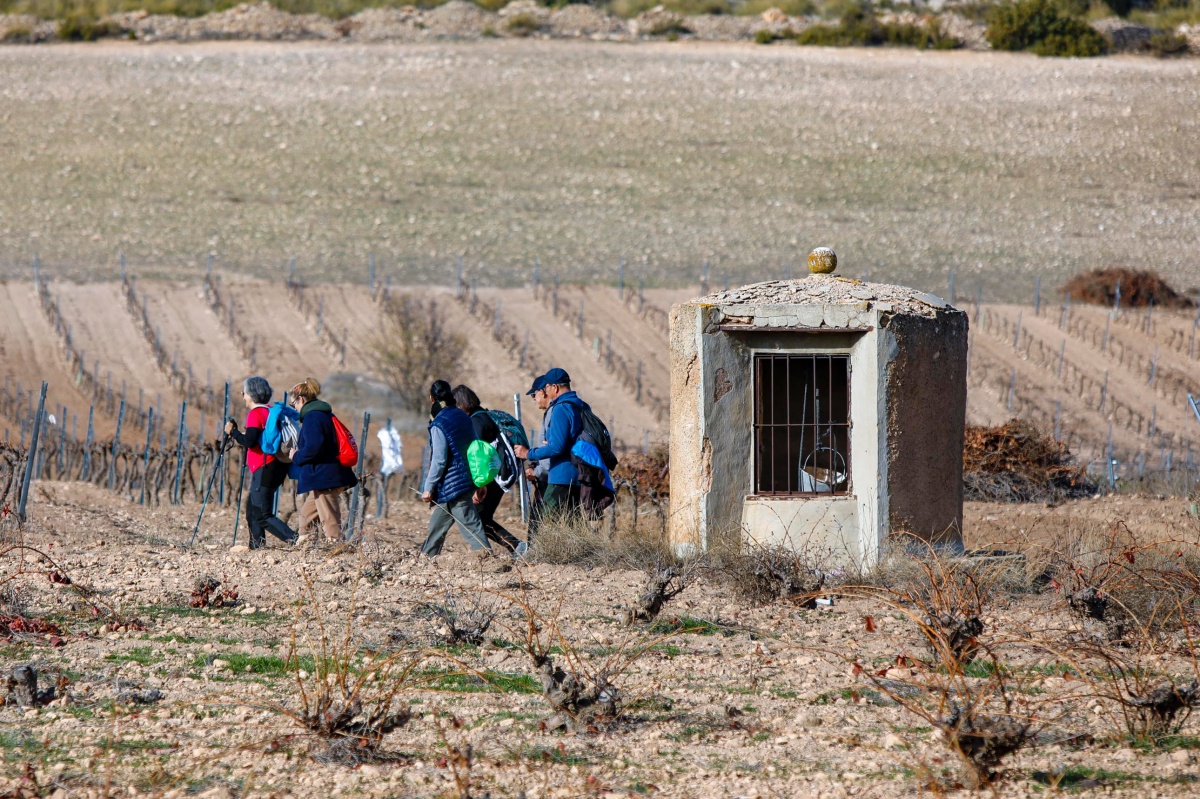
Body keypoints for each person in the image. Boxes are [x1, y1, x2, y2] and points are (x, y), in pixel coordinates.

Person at [452, 384, 528, 558]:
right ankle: (516, 547)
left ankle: (516, 547)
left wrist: (479, 486)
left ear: (462, 404)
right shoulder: (485, 416)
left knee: (477, 518)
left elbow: (479, 458)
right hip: (500, 473)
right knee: (481, 517)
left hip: (492, 477)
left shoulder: (476, 422)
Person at [224, 376, 299, 550]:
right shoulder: (270, 411)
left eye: (244, 392)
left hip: (265, 466)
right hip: (277, 465)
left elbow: (249, 442)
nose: (243, 396)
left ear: (251, 394)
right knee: (252, 509)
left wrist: (233, 433)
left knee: (262, 514)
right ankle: (257, 546)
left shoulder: (256, 413)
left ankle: (295, 540)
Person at [419, 380, 492, 557]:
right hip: (465, 479)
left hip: (454, 484)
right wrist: (479, 482)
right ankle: (426, 557)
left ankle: (489, 559)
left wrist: (428, 487)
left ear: (432, 398)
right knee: (438, 523)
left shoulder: (438, 424)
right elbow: (476, 448)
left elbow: (439, 460)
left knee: (470, 524)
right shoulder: (463, 416)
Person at [512, 368, 583, 536]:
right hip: (579, 474)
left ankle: (541, 553)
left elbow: (556, 447)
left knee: (544, 526)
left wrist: (528, 454)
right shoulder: (580, 405)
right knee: (574, 528)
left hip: (560, 475)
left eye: (546, 388)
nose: (545, 393)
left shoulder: (559, 409)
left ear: (554, 388)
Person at [287, 377, 357, 542]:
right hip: (326, 474)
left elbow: (313, 447)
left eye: (293, 404)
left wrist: (296, 455)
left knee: (329, 516)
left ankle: (336, 545)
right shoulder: (323, 415)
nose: (294, 408)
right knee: (306, 517)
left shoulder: (312, 417)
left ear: (301, 399)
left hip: (324, 476)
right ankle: (306, 544)